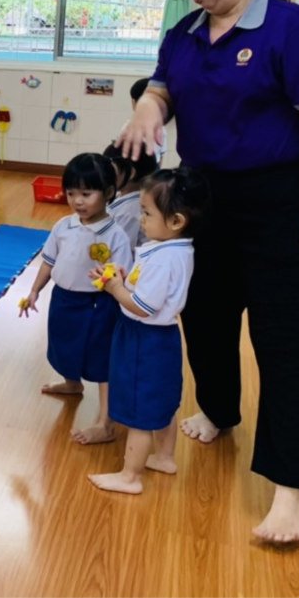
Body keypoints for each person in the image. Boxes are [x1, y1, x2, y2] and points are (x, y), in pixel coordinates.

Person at [119, 0, 299, 543]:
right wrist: (146, 108)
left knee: (285, 339)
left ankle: (293, 487)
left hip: (280, 201)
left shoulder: (292, 28)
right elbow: (161, 91)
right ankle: (219, 409)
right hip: (203, 198)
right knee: (206, 317)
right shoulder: (185, 33)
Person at [88, 168, 209, 494]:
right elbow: (150, 290)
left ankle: (130, 476)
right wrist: (124, 279)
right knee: (161, 403)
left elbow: (143, 306)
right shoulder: (175, 249)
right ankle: (165, 457)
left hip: (143, 340)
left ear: (176, 221)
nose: (141, 219)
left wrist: (114, 288)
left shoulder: (162, 260)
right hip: (163, 339)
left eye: (147, 213)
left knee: (139, 410)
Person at [21, 153, 134, 445]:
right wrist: (34, 290)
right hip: (63, 300)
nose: (77, 201)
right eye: (71, 193)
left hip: (99, 304)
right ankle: (73, 384)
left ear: (108, 192)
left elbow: (121, 276)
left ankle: (106, 423)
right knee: (64, 346)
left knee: (101, 359)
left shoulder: (115, 235)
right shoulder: (63, 226)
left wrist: (110, 282)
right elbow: (48, 261)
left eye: (86, 194)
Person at [104, 142, 159, 247]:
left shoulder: (129, 211)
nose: (104, 174)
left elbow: (118, 247)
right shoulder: (120, 195)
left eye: (110, 170)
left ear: (130, 173)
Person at [127, 78, 166, 165]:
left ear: (134, 103)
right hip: (153, 169)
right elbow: (161, 157)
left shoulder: (128, 127)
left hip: (135, 168)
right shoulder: (161, 129)